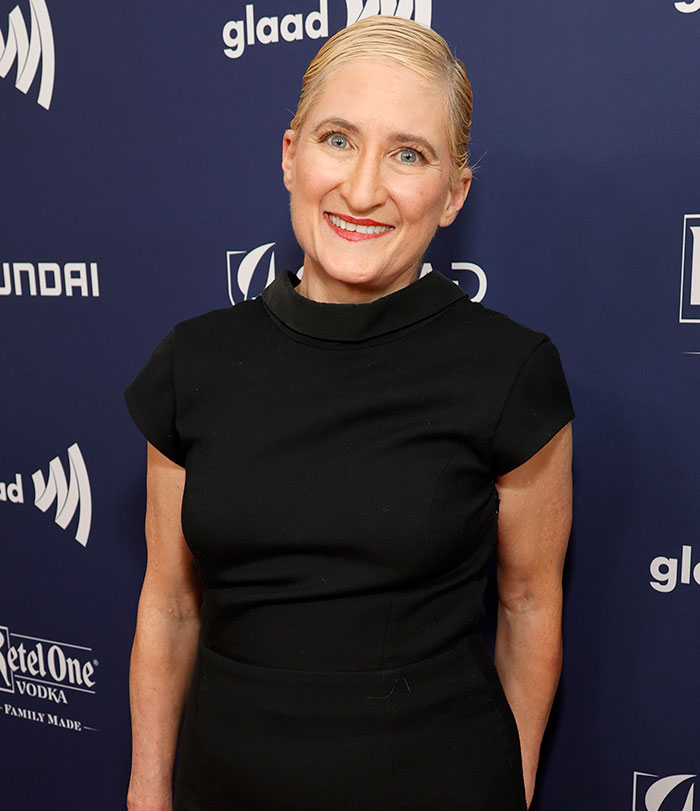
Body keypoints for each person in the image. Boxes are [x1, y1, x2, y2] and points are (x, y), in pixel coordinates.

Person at [124, 15, 573, 811]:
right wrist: (148, 789)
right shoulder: (192, 362)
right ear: (291, 155)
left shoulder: (511, 371)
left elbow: (529, 601)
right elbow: (169, 601)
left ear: (452, 193)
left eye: (409, 154)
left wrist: (516, 782)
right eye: (338, 139)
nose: (364, 189)